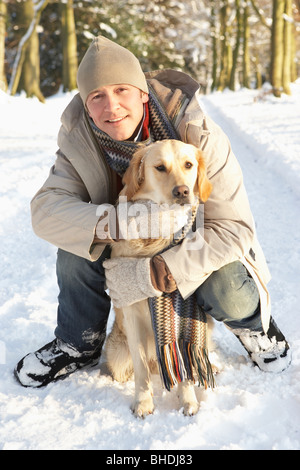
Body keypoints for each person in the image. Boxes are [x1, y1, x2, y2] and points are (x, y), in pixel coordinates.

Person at [14, 35, 291, 388]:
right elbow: (46, 211)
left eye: (121, 91)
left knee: (224, 284)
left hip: (196, 240)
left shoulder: (199, 134)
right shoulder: (77, 140)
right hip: (126, 245)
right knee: (75, 249)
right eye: (96, 96)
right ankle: (77, 343)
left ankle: (256, 328)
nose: (111, 106)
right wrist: (116, 224)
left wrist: (164, 268)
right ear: (86, 105)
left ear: (143, 93)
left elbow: (234, 227)